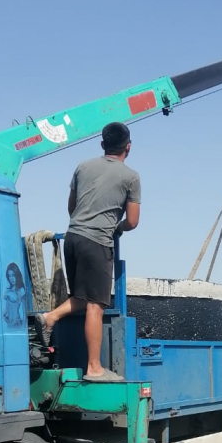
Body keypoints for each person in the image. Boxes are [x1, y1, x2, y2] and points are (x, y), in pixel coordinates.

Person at [35, 121, 140, 381]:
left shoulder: (82, 166)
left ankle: (51, 317)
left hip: (72, 238)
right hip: (97, 242)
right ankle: (93, 367)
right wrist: (117, 228)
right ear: (128, 147)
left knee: (82, 296)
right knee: (96, 304)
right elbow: (132, 221)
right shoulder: (131, 177)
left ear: (103, 144)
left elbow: (72, 207)